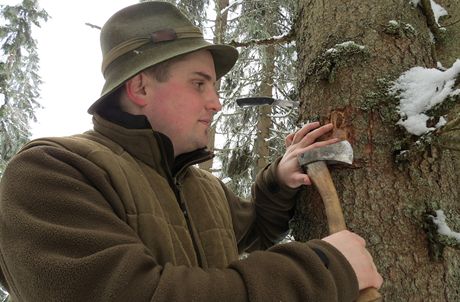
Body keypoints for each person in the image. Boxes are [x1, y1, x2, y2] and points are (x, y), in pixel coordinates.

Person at [0, 2, 382, 301]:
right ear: (141, 89)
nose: (216, 103)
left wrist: (278, 182)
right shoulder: (52, 171)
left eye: (214, 86)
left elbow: (257, 230)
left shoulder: (202, 187)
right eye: (199, 84)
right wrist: (323, 271)